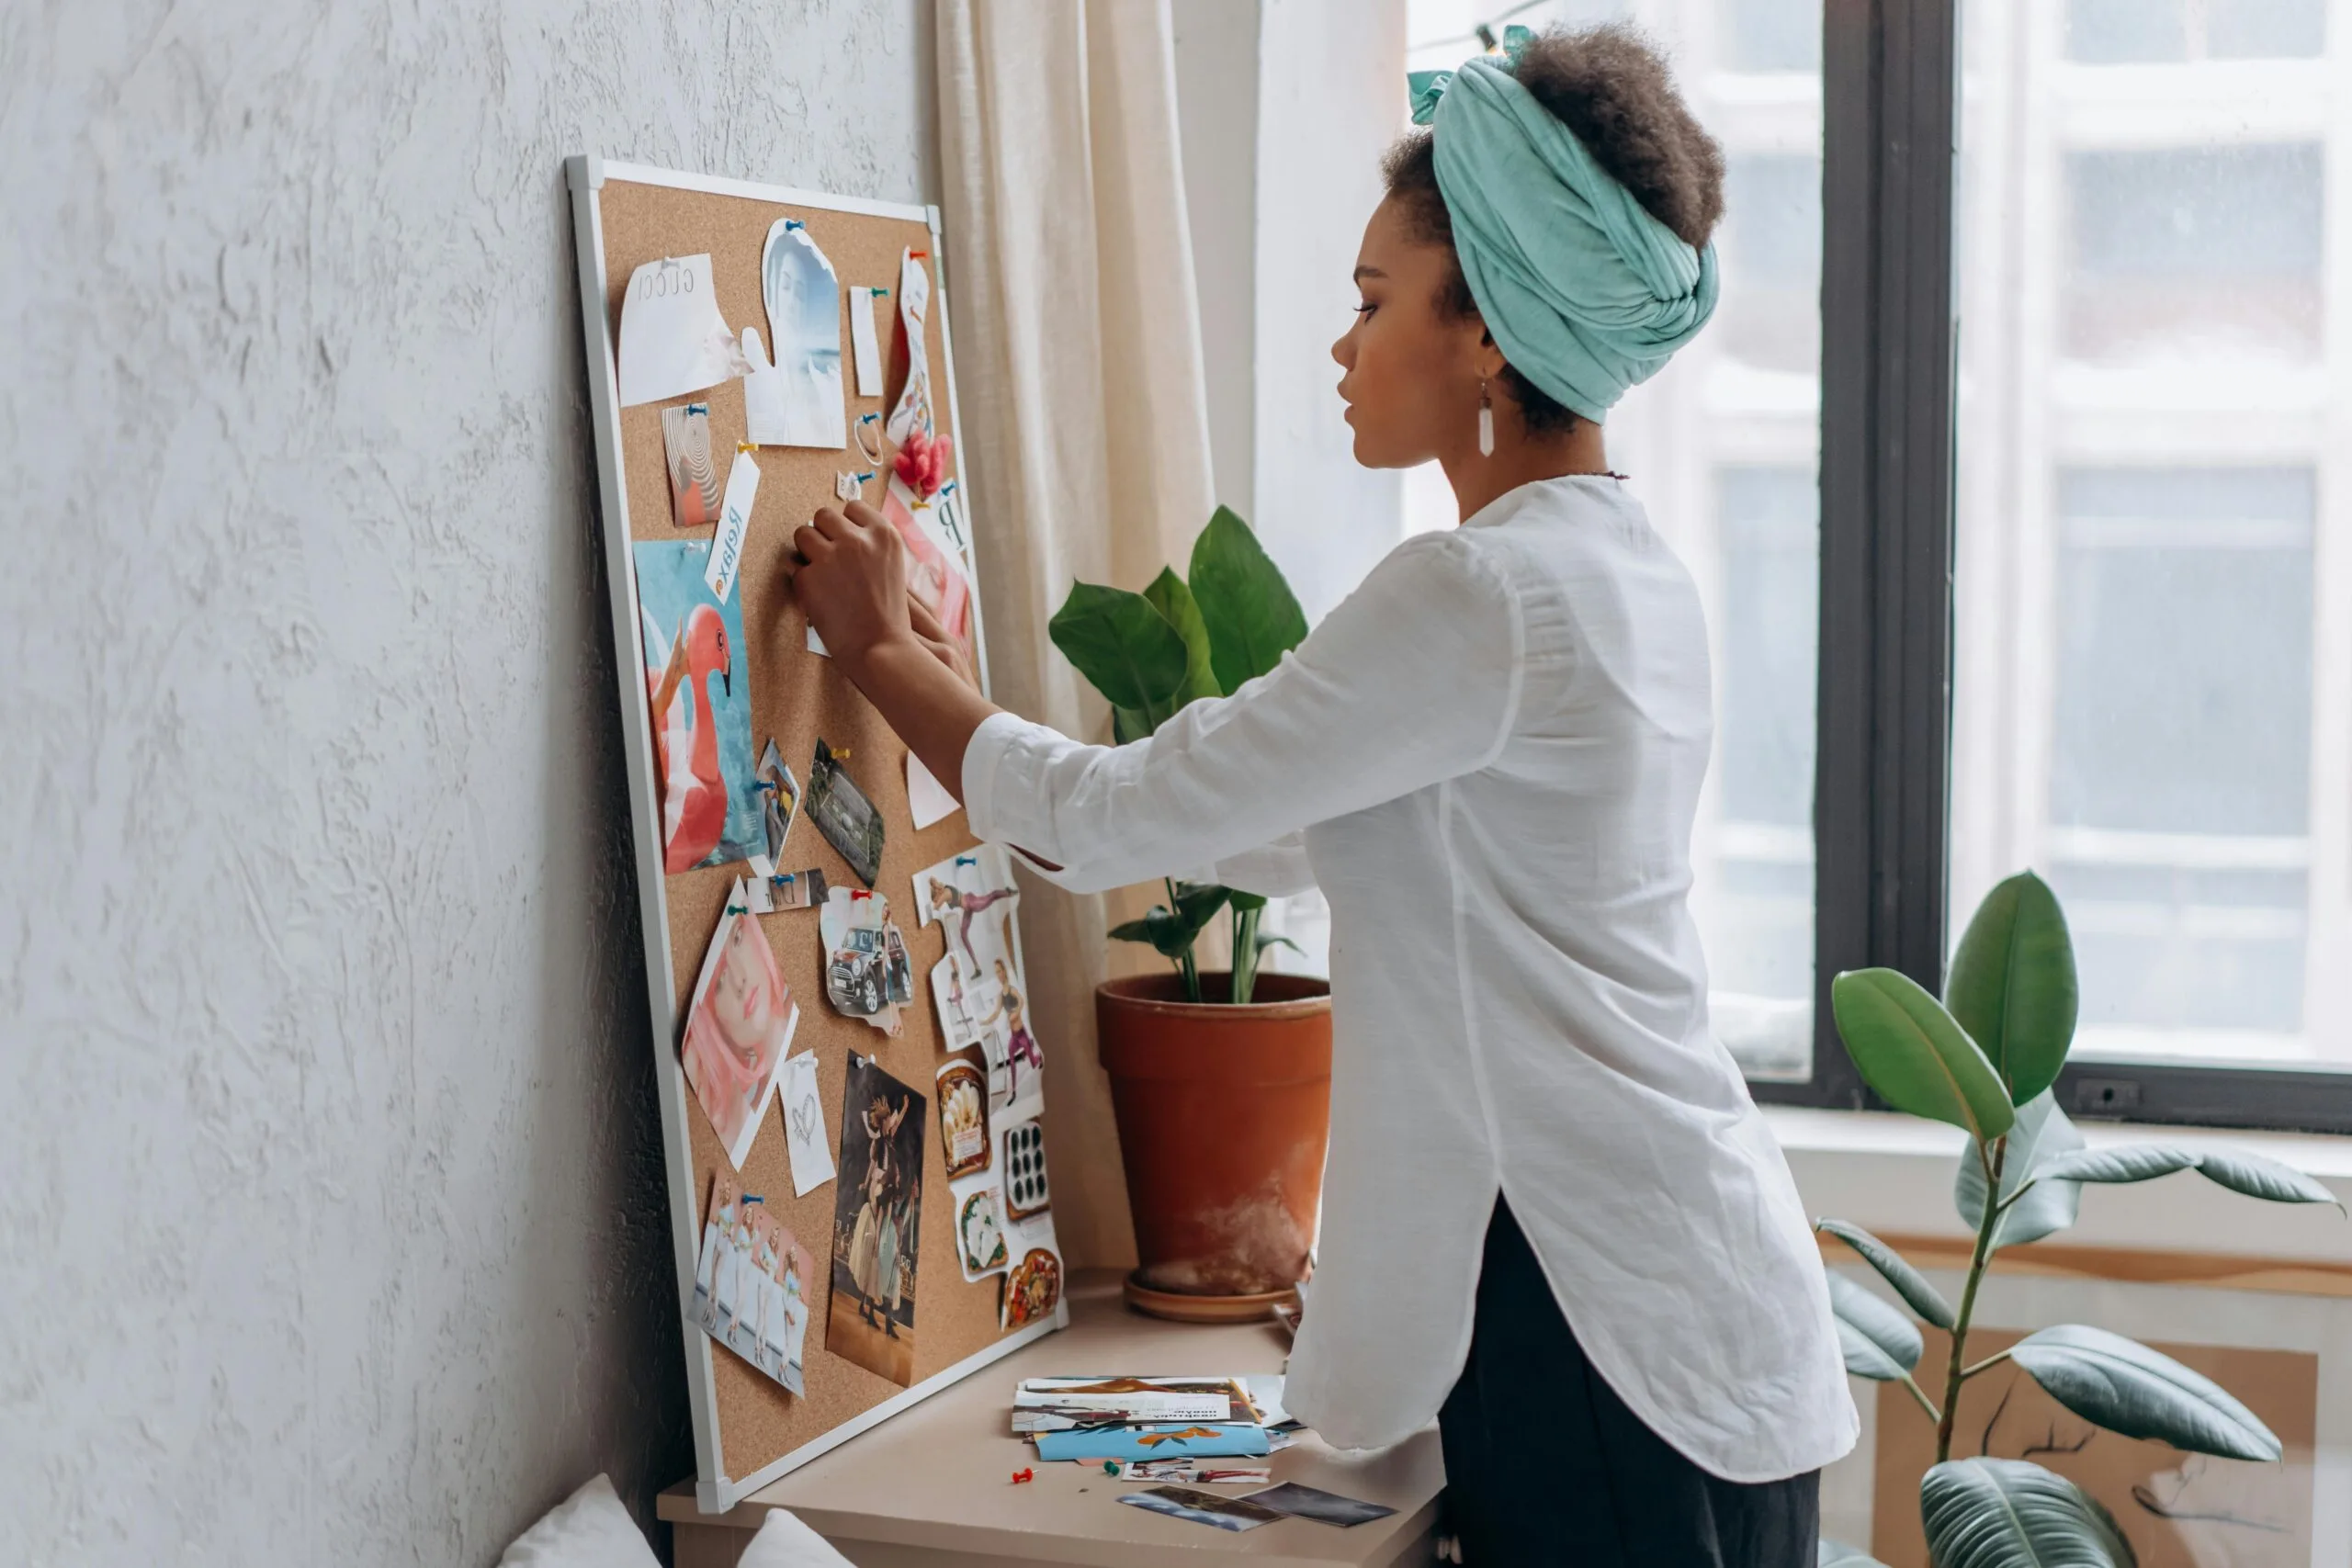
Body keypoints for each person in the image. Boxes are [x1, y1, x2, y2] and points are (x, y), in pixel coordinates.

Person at [784, 22, 1851, 1564]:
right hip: (1704, 1316)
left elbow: (1106, 823)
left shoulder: (1478, 596)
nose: (1342, 346)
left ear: (1483, 331)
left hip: (1595, 1333)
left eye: (1372, 301)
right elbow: (1283, 829)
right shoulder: (1625, 575)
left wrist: (877, 647)